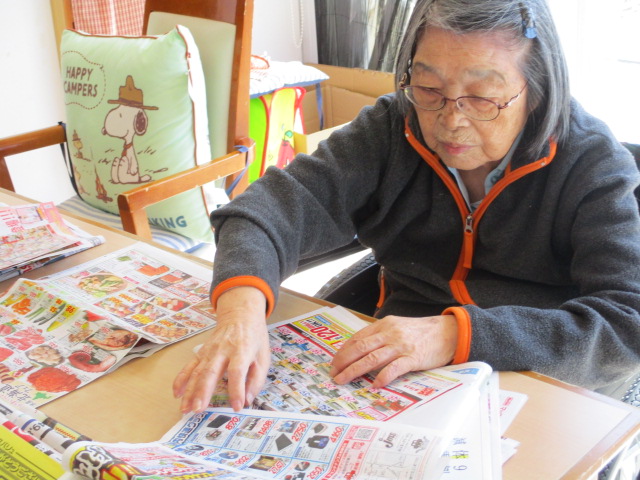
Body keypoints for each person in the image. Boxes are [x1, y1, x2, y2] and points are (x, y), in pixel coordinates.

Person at [173, 0, 640, 414]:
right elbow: (265, 209)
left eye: (482, 98)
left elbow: (627, 323)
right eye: (429, 88)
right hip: (400, 371)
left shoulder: (592, 163)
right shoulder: (391, 127)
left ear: (537, 91)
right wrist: (240, 316)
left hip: (542, 379)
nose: (450, 121)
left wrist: (454, 335)